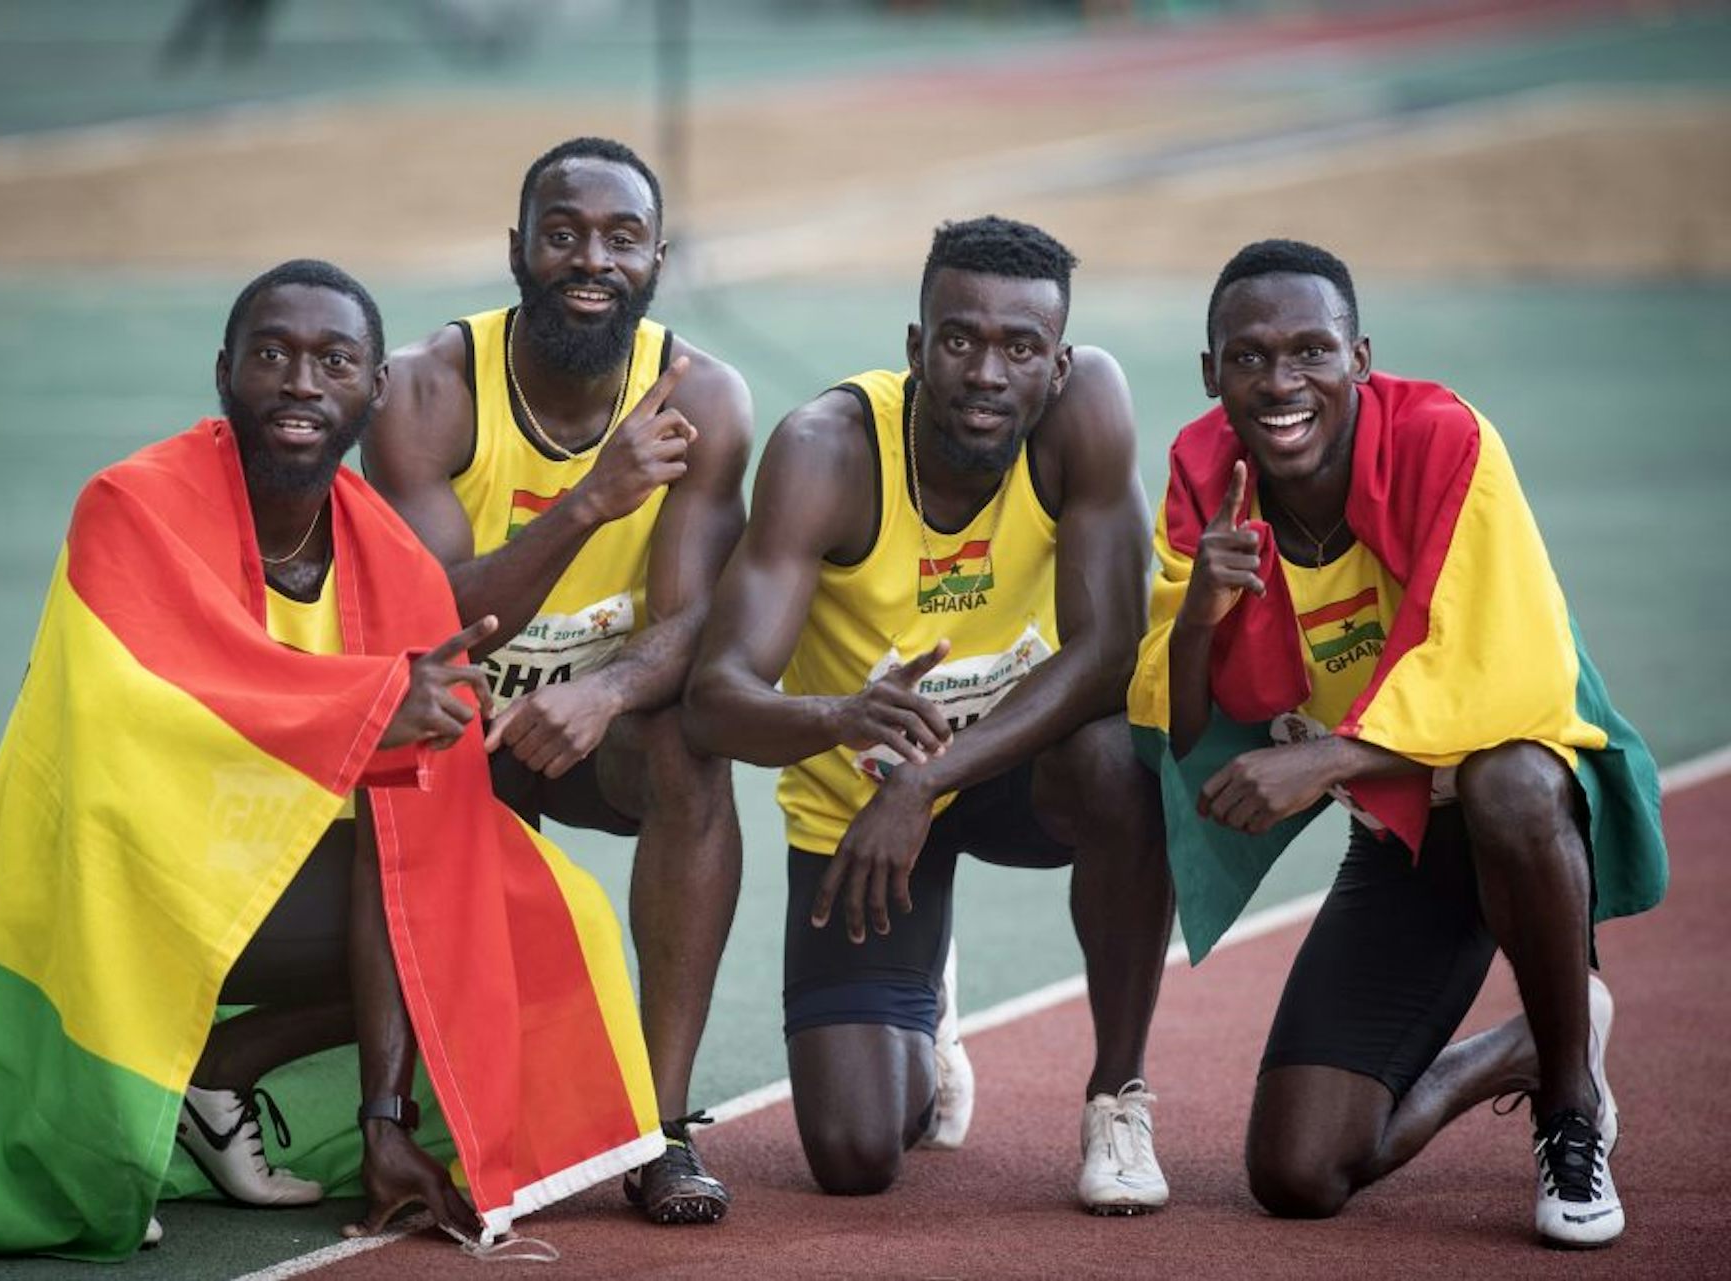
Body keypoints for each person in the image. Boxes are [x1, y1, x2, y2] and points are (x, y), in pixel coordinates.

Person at [0, 260, 662, 1260]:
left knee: (521, 902)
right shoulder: (128, 504)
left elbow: (417, 828)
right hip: (99, 881)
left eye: (334, 360)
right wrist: (375, 703)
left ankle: (227, 1076)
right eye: (273, 355)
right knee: (414, 876)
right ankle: (141, 1099)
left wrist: (386, 1122)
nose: (301, 382)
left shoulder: (392, 560)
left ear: (374, 392)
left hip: (262, 878)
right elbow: (157, 695)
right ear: (224, 372)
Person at [1127, 239, 1667, 1248]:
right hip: (1405, 832)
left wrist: (1328, 757)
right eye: (1247, 357)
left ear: (1360, 357)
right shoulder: (1205, 474)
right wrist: (1198, 611)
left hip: (1530, 808)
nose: (1280, 382)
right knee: (1296, 1174)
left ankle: (1570, 1106)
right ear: (1211, 374)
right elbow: (1183, 729)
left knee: (1508, 783)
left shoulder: (1444, 437)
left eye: (1309, 352)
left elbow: (1512, 681)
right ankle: (1520, 1049)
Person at [684, 216, 1175, 1211]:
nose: (986, 371)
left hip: (1018, 770)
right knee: (856, 1157)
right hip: (859, 807)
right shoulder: (826, 452)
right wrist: (840, 719)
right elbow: (715, 699)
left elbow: (1109, 649)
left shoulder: (1088, 414)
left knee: (1124, 762)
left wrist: (931, 775)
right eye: (959, 339)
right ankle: (927, 1010)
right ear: (916, 348)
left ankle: (1117, 1094)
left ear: (1058, 363)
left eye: (1020, 347)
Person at [366, 137, 751, 1225]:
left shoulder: (707, 400)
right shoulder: (426, 391)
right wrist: (589, 498)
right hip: (451, 734)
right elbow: (430, 617)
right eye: (565, 233)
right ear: (517, 251)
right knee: (415, 747)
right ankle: (384, 1114)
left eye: (621, 239)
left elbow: (700, 620)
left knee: (692, 747)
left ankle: (660, 1130)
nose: (592, 260)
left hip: (598, 734)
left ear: (658, 260)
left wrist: (604, 695)